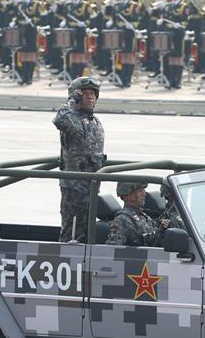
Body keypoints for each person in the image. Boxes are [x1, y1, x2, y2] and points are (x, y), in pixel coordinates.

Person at [53, 77, 105, 243]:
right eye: (84, 93)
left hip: (91, 186)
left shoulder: (95, 121)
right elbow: (59, 120)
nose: (90, 97)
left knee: (86, 232)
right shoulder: (71, 118)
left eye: (92, 93)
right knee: (71, 233)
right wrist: (71, 102)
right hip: (74, 189)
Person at [107, 182, 169, 246]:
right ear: (126, 195)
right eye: (140, 191)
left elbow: (152, 239)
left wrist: (161, 227)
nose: (144, 194)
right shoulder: (121, 220)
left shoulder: (143, 216)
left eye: (144, 191)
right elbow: (113, 249)